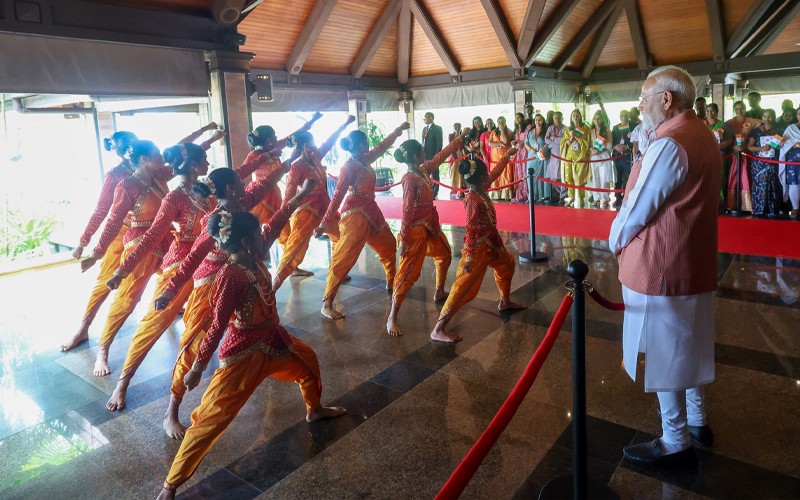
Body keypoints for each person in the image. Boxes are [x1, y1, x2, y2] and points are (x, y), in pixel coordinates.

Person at [155, 210, 345, 500]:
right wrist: (198, 366)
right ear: (245, 241)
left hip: (274, 339)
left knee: (308, 363)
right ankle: (170, 486)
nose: (264, 237)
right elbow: (218, 324)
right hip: (242, 353)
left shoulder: (254, 261)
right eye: (258, 234)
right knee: (212, 417)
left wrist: (293, 201)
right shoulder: (230, 276)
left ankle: (314, 410)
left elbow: (273, 228)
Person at [610, 65, 720, 467]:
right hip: (694, 260)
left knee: (666, 352)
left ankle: (675, 438)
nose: (640, 106)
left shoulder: (671, 143)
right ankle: (698, 421)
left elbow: (639, 207)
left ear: (666, 99)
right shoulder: (703, 134)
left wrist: (614, 239)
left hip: (662, 265)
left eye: (644, 97)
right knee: (688, 344)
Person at [155, 151, 299, 438]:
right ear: (231, 188)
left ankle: (263, 367)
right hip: (210, 283)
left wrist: (292, 157)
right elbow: (193, 257)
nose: (247, 183)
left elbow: (268, 178)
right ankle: (171, 412)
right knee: (194, 346)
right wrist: (171, 290)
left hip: (242, 276)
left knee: (257, 325)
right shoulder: (215, 219)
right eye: (240, 180)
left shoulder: (244, 203)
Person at [103, 141, 221, 411]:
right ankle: (123, 383)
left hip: (208, 264)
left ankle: (179, 396)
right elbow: (153, 235)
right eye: (204, 159)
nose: (207, 163)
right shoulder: (174, 197)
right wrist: (122, 270)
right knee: (153, 325)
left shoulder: (207, 189)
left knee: (201, 326)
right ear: (193, 165)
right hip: (179, 265)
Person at [78, 140, 174, 377]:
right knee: (128, 300)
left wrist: (208, 138)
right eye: (157, 153)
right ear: (143, 158)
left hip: (166, 239)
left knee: (180, 282)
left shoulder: (160, 175)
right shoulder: (126, 185)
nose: (162, 156)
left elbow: (186, 157)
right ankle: (103, 349)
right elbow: (112, 220)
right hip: (140, 245)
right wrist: (95, 250)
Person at [315, 123, 410, 319]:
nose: (368, 144)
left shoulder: (365, 160)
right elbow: (337, 197)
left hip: (371, 210)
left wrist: (397, 130)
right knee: (344, 257)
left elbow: (382, 147)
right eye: (365, 141)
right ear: (358, 145)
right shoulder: (348, 167)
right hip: (355, 214)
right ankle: (327, 303)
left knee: (388, 244)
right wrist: (324, 224)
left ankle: (391, 281)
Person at [429, 151, 526, 343]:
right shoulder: (473, 199)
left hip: (492, 241)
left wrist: (507, 155)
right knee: (464, 286)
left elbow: (496, 172)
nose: (489, 177)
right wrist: (470, 258)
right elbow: (471, 229)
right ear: (482, 178)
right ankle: (438, 328)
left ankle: (505, 301)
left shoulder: (480, 188)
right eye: (486, 176)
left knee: (507, 264)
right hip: (478, 248)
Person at [386, 130, 470, 336]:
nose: (426, 153)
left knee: (445, 254)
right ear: (415, 156)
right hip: (414, 229)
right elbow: (406, 209)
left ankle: (439, 290)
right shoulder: (409, 179)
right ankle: (392, 316)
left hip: (430, 223)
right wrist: (404, 238)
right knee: (408, 273)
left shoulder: (424, 169)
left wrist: (459, 139)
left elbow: (439, 156)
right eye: (422, 151)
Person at [61, 131, 137, 352]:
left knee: (171, 269)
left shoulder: (152, 168)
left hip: (153, 231)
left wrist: (205, 137)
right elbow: (102, 211)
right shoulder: (116, 175)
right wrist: (83, 243)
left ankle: (173, 305)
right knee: (105, 281)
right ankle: (83, 327)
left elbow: (176, 153)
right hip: (121, 233)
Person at [271, 116, 355, 291]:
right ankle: (273, 287)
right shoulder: (296, 167)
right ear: (302, 148)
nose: (315, 148)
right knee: (296, 249)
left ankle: (337, 270)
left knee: (340, 236)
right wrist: (283, 215)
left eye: (314, 144)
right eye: (311, 146)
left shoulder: (316, 157)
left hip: (325, 207)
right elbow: (289, 194)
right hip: (306, 211)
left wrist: (344, 125)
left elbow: (330, 141)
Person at [725, 100, 759, 211]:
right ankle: (732, 204)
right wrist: (733, 147)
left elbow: (762, 123)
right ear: (734, 110)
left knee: (745, 177)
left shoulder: (752, 121)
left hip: (746, 154)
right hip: (733, 154)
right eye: (736, 109)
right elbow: (726, 139)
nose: (739, 111)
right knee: (733, 177)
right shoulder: (729, 122)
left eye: (741, 108)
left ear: (745, 109)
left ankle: (746, 206)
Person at [749, 109, 784, 216]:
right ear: (762, 118)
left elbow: (783, 146)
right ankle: (759, 209)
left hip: (774, 162)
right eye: (765, 116)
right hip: (759, 164)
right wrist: (761, 148)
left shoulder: (779, 131)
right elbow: (750, 147)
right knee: (760, 184)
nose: (767, 119)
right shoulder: (755, 131)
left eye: (769, 116)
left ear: (774, 117)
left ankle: (774, 210)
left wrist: (776, 145)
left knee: (774, 184)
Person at [559, 110, 591, 208]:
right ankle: (571, 197)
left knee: (580, 178)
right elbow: (563, 143)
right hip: (569, 157)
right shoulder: (569, 129)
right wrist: (570, 139)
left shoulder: (585, 128)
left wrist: (578, 138)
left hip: (580, 157)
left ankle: (581, 198)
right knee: (570, 178)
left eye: (577, 116)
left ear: (580, 117)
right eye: (574, 116)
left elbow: (587, 142)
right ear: (571, 118)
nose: (575, 118)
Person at [589, 110, 614, 208]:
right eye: (595, 119)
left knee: (604, 178)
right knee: (596, 178)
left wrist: (600, 150)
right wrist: (592, 149)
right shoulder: (591, 131)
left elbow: (609, 146)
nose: (596, 121)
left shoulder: (606, 130)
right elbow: (590, 145)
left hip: (604, 156)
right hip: (594, 157)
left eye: (598, 119)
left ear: (602, 120)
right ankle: (596, 198)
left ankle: (604, 198)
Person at [525, 113, 550, 202]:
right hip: (532, 156)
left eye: (539, 120)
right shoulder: (531, 131)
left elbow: (549, 143)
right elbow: (526, 142)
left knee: (542, 176)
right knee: (530, 176)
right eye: (536, 120)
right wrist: (530, 149)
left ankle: (544, 197)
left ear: (543, 121)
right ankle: (532, 197)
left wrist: (543, 148)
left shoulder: (546, 131)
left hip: (543, 156)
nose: (538, 122)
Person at [488, 116, 514, 200]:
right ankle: (496, 194)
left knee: (505, 173)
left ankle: (506, 194)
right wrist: (499, 143)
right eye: (499, 121)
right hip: (495, 157)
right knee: (495, 173)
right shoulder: (493, 132)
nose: (500, 123)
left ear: (505, 122)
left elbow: (506, 141)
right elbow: (490, 143)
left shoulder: (509, 131)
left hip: (504, 156)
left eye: (502, 121)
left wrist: (502, 130)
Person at [612, 110, 633, 208]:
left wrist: (628, 147)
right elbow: (611, 141)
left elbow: (636, 141)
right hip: (617, 156)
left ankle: (628, 197)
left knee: (629, 178)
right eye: (621, 116)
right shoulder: (615, 128)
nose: (623, 118)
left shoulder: (632, 126)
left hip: (627, 156)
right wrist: (614, 147)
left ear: (628, 116)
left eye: (625, 116)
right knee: (617, 178)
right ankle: (617, 197)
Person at [545, 111, 566, 203]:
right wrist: (556, 139)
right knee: (553, 177)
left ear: (562, 118)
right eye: (554, 118)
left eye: (558, 117)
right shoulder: (550, 128)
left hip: (563, 156)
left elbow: (564, 140)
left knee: (563, 177)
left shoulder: (566, 129)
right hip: (553, 156)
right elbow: (546, 140)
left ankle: (563, 196)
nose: (556, 119)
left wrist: (553, 138)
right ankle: (560, 193)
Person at [421, 112, 443, 198]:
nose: (424, 119)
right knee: (425, 174)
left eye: (425, 118)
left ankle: (435, 192)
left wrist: (436, 157)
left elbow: (439, 144)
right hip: (425, 156)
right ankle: (427, 191)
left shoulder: (437, 128)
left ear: (431, 118)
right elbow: (423, 143)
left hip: (433, 156)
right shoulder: (424, 129)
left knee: (435, 174)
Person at [780, 122, 800, 217]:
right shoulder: (791, 128)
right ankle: (795, 207)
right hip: (793, 159)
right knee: (794, 182)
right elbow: (783, 143)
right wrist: (794, 144)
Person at [512, 112, 532, 202]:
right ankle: (519, 194)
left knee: (525, 171)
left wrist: (521, 143)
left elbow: (529, 140)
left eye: (519, 118)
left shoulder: (528, 127)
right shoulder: (516, 129)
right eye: (516, 118)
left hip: (526, 152)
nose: (517, 120)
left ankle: (528, 194)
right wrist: (514, 142)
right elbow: (517, 139)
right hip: (518, 152)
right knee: (519, 173)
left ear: (522, 118)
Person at [447, 122, 466, 199]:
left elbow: (463, 145)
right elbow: (451, 145)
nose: (457, 128)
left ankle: (460, 191)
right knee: (453, 173)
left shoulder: (463, 135)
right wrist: (455, 155)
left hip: (461, 156)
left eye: (459, 126)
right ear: (453, 127)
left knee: (461, 174)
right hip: (453, 156)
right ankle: (454, 190)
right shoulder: (451, 135)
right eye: (456, 127)